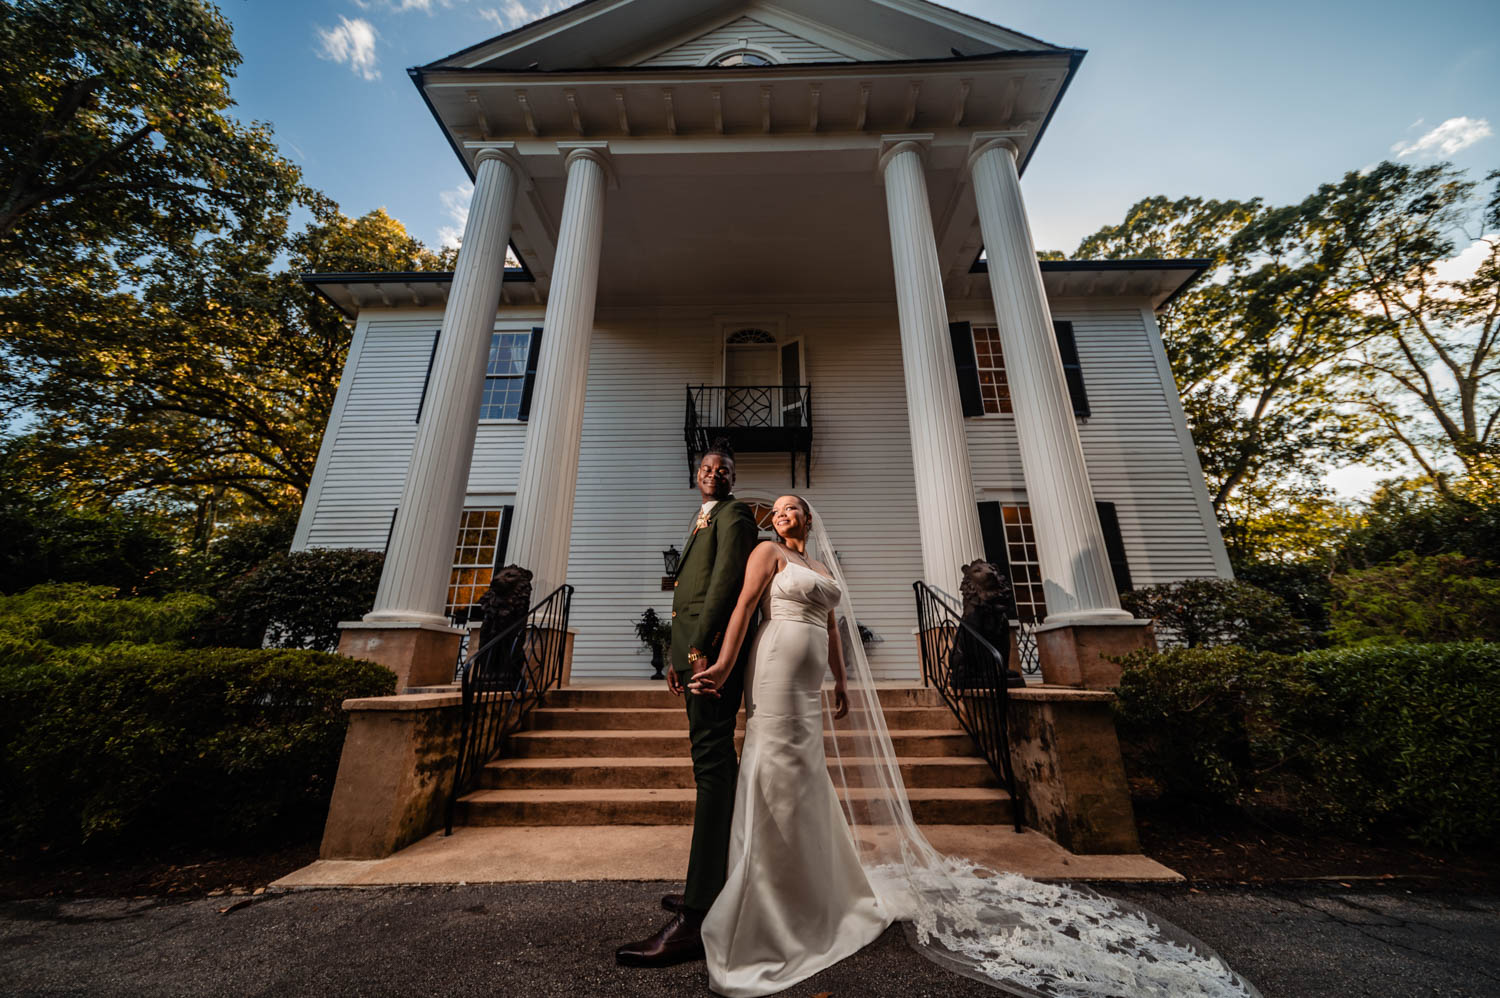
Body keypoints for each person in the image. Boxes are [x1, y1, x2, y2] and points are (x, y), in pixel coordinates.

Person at [687, 496, 1260, 998]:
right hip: (774, 667)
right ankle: (767, 889)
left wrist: (841, 681)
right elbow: (741, 610)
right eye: (778, 509)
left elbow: (834, 628)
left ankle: (819, 887)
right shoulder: (768, 554)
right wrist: (723, 663)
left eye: (793, 508)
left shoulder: (818, 564)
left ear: (807, 519)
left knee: (806, 774)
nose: (783, 513)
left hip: (811, 676)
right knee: (777, 767)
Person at [614, 440, 759, 968]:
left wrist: (701, 649)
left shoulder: (735, 514)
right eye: (706, 467)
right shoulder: (700, 519)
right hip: (693, 653)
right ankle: (712, 883)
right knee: (711, 766)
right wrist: (676, 655)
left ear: (733, 478)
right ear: (696, 476)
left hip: (712, 653)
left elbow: (725, 585)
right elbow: (687, 592)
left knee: (714, 766)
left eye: (723, 468)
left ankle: (699, 915)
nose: (713, 473)